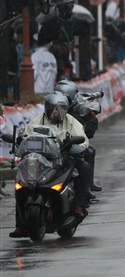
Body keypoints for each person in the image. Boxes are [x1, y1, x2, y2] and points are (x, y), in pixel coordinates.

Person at [10, 93, 91, 237]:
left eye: (60, 109)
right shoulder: (36, 122)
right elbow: (24, 139)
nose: (56, 112)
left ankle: (78, 206)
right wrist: (19, 145)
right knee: (21, 184)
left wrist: (74, 146)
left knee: (84, 168)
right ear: (47, 108)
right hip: (39, 160)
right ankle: (20, 225)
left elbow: (83, 140)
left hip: (64, 157)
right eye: (53, 108)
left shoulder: (72, 122)